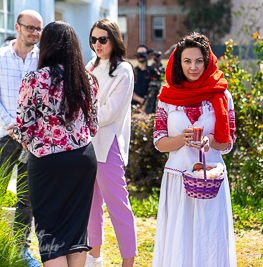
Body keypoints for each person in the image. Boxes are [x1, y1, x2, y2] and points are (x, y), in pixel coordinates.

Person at [13, 21, 99, 266]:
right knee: (76, 228)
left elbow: (23, 129)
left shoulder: (34, 79)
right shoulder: (89, 80)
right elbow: (93, 125)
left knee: (50, 229)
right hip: (83, 158)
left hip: (47, 162)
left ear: (46, 45)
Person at [153, 33, 237, 267]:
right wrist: (181, 139)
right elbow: (159, 141)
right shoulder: (167, 97)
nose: (193, 67)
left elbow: (228, 142)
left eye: (199, 60)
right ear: (178, 63)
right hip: (177, 178)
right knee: (179, 239)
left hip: (210, 178)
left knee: (209, 238)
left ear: (208, 61)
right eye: (187, 61)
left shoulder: (222, 94)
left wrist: (210, 140)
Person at [85, 19, 137, 267]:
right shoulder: (90, 66)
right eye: (93, 39)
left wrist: (82, 119)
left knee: (119, 206)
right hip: (86, 145)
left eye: (102, 39)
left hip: (109, 145)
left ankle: (129, 261)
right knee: (90, 205)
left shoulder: (124, 70)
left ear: (114, 39)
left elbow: (111, 113)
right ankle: (94, 258)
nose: (97, 44)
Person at [0, 9, 42, 266]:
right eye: (30, 28)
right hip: (3, 136)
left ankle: (21, 247)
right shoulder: (1, 57)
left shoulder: (44, 60)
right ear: (17, 28)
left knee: (28, 195)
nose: (35, 33)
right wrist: (11, 125)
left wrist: (29, 129)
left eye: (38, 29)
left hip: (34, 141)